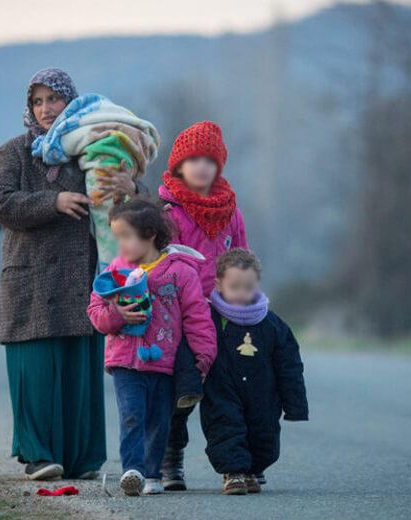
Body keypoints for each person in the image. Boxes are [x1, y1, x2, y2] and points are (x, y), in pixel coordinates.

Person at [0, 68, 143, 481]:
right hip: (30, 281)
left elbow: (126, 212)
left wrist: (131, 188)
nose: (45, 109)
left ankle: (82, 459)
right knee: (34, 370)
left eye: (53, 99)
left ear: (70, 102)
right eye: (37, 101)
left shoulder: (92, 147)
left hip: (82, 279)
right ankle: (38, 455)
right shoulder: (14, 152)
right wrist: (52, 201)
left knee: (78, 373)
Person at [87, 199, 217, 496]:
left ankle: (153, 474)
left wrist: (203, 355)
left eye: (126, 236)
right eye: (117, 236)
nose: (120, 244)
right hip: (124, 361)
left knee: (160, 420)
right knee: (132, 415)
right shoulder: (114, 273)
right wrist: (117, 316)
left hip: (164, 362)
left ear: (150, 235)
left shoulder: (180, 272)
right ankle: (132, 470)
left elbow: (196, 316)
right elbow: (95, 311)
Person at [157, 121, 249, 490]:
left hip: (224, 316)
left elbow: (242, 258)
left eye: (209, 159)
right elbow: (160, 267)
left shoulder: (232, 212)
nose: (201, 166)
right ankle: (169, 460)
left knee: (226, 395)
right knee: (181, 393)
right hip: (180, 317)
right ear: (179, 164)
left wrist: (245, 300)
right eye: (192, 159)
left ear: (219, 166)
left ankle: (236, 466)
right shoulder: (169, 213)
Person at [200, 249, 308, 495]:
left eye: (248, 286)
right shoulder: (208, 319)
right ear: (218, 283)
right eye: (234, 286)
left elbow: (289, 366)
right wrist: (188, 386)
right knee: (225, 427)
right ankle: (234, 473)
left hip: (263, 393)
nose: (241, 293)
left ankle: (252, 469)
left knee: (264, 434)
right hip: (221, 390)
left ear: (257, 284)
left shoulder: (272, 324)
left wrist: (295, 404)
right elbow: (193, 351)